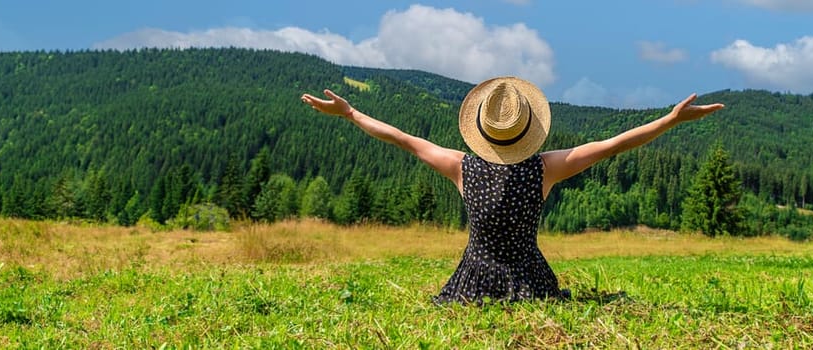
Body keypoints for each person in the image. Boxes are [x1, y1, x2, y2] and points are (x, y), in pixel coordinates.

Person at [300, 76, 723, 303]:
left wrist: (351, 112)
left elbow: (401, 138)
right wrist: (669, 120)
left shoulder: (461, 167)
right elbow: (616, 143)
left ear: (481, 129)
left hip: (472, 284)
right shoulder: (546, 168)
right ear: (527, 130)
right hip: (532, 282)